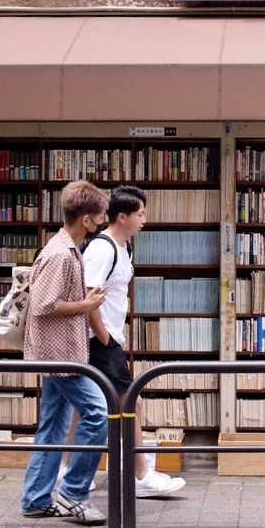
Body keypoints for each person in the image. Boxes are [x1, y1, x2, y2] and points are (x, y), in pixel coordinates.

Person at [82, 185, 186, 497]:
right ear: (122, 216)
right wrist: (106, 339)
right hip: (99, 339)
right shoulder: (103, 249)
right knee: (132, 402)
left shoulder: (124, 246)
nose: (145, 219)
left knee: (81, 407)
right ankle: (141, 476)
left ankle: (66, 472)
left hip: (108, 337)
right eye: (140, 214)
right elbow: (88, 298)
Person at [21, 180, 110, 525]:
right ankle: (73, 492)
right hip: (60, 355)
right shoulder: (61, 254)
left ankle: (35, 498)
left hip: (59, 352)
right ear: (86, 219)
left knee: (53, 425)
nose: (102, 223)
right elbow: (44, 305)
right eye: (100, 217)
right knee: (99, 413)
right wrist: (87, 304)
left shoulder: (64, 248)